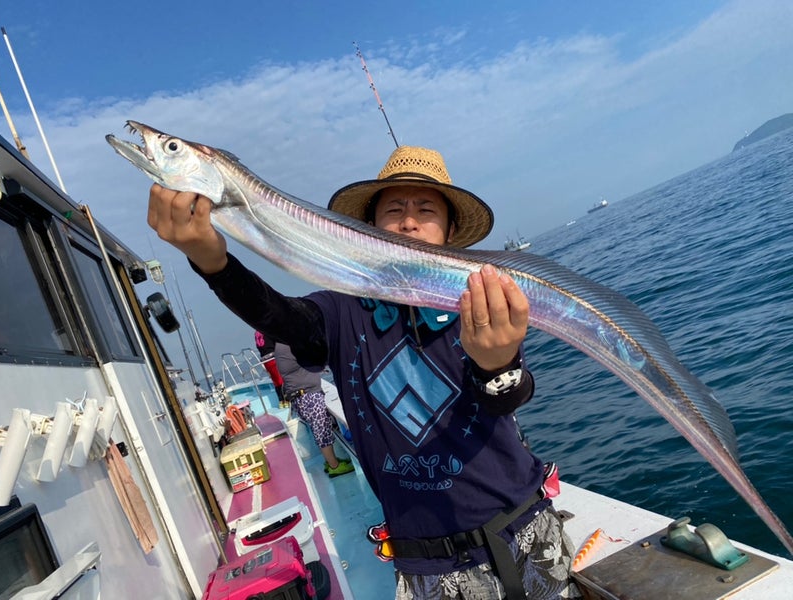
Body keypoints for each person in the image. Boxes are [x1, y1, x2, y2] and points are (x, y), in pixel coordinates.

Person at [147, 145, 581, 599]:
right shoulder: (340, 311)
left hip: (528, 533)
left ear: (451, 232)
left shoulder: (476, 302)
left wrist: (498, 364)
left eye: (426, 209)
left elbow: (509, 398)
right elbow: (280, 316)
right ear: (368, 229)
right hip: (428, 564)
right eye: (393, 209)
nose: (408, 221)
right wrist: (213, 264)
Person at [259, 331, 355, 477]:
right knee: (322, 431)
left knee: (322, 428)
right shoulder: (290, 344)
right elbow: (314, 355)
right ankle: (334, 466)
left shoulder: (282, 345)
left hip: (303, 395)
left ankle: (330, 461)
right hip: (308, 396)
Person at [254, 330, 287, 406]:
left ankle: (281, 401)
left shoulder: (257, 335)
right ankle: (286, 399)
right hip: (273, 359)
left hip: (266, 362)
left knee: (276, 381)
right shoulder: (267, 333)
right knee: (281, 380)